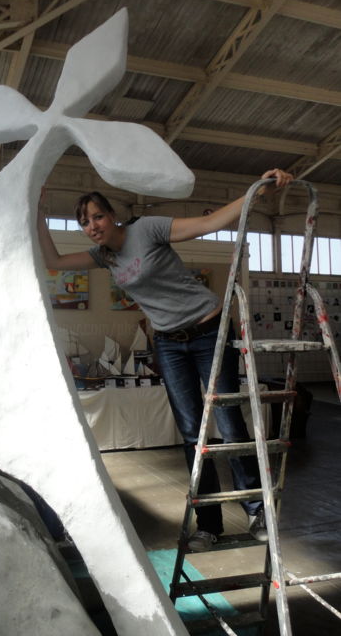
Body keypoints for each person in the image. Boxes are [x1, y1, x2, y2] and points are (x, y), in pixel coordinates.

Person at [37, 168, 293, 551]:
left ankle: (256, 508)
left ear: (113, 216)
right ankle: (209, 525)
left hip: (210, 332)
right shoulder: (103, 256)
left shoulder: (147, 229)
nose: (92, 226)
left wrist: (255, 189)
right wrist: (37, 209)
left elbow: (208, 223)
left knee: (228, 423)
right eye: (84, 222)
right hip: (169, 344)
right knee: (192, 433)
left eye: (98, 216)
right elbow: (53, 261)